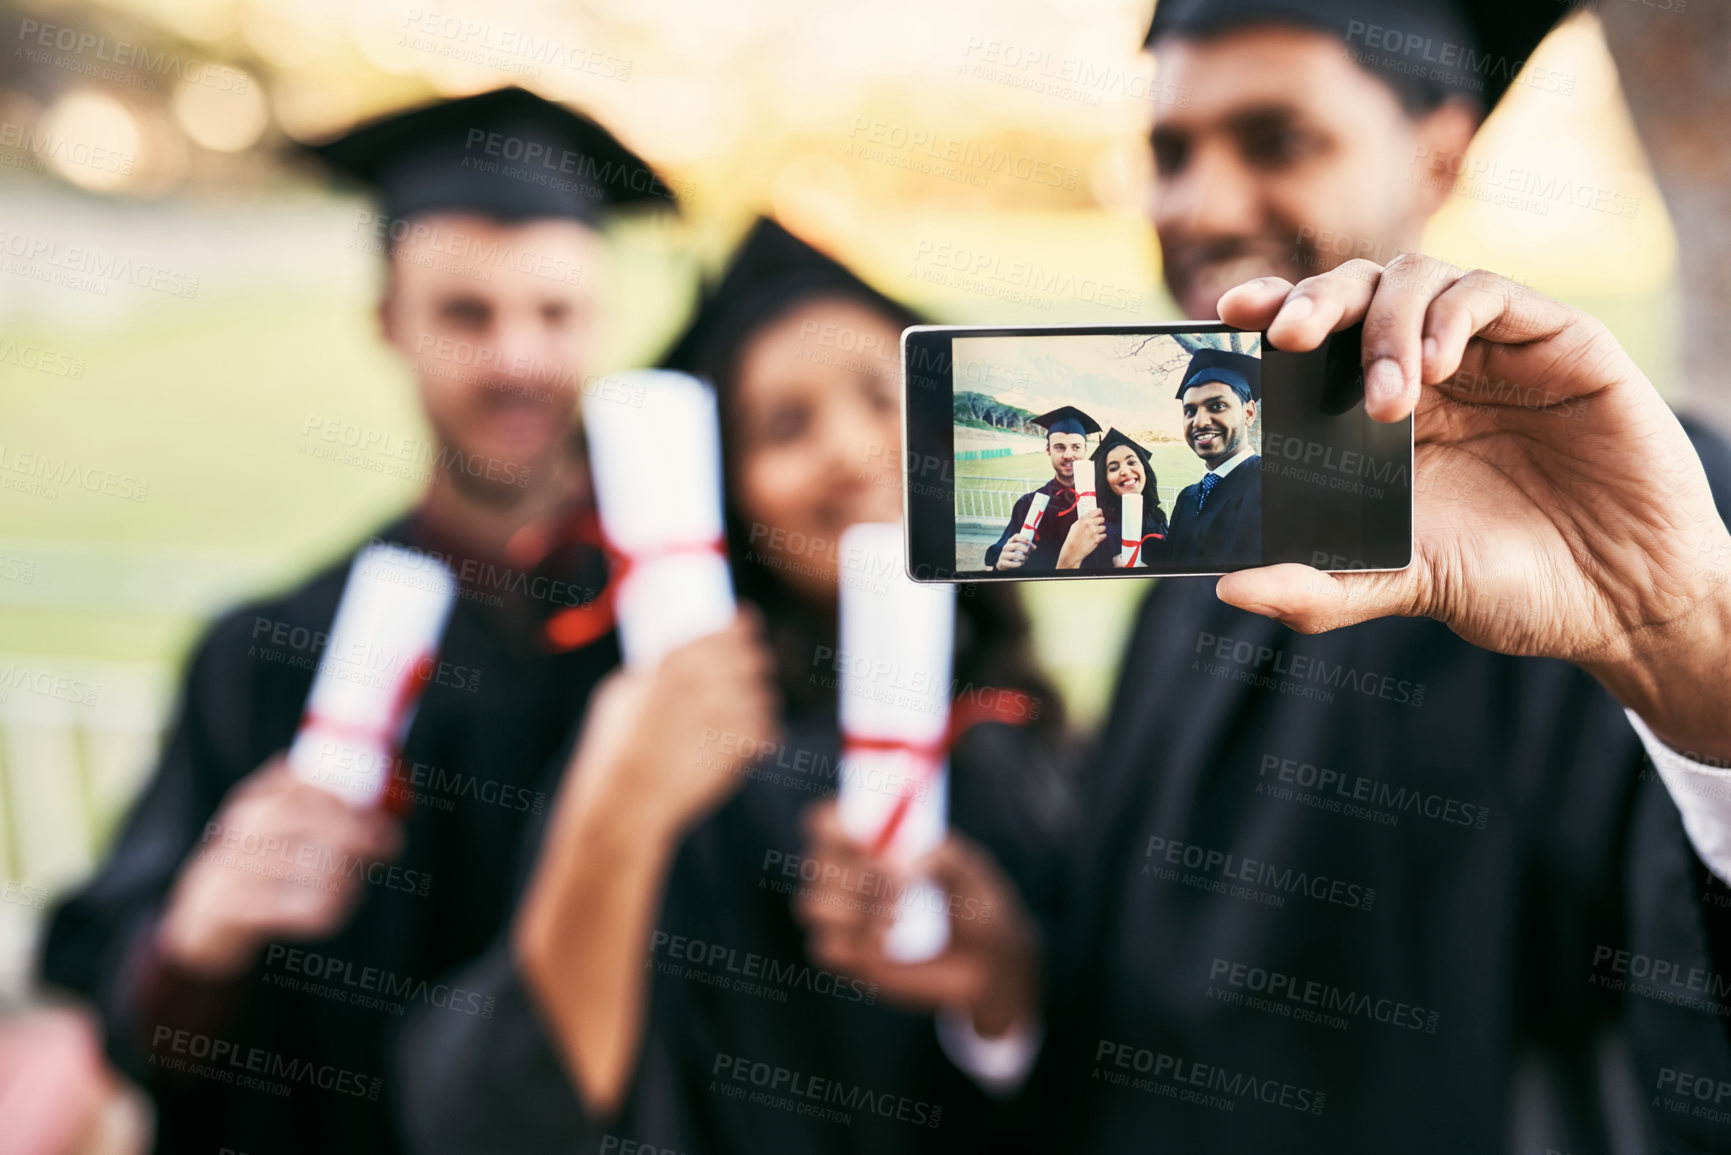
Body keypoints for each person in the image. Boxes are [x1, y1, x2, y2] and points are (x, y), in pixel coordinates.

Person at [794, 2, 1731, 1151]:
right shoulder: (1189, 547)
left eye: (1276, 139)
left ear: (1439, 150)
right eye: (1169, 152)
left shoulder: (1624, 517)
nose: (1200, 204)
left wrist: (1687, 648)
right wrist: (1011, 985)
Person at [37, 88, 674, 1155]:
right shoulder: (268, 654)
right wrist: (196, 938)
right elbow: (125, 1014)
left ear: (601, 321)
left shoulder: (680, 649)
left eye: (555, 313)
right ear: (389, 321)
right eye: (465, 313)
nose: (517, 357)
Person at [394, 218, 1072, 1154]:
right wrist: (622, 808)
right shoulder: (697, 768)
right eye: (784, 425)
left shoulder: (1032, 728)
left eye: (882, 394)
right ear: (732, 497)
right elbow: (515, 1104)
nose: (852, 448)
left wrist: (999, 986)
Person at [1162, 346, 1262, 570]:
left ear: (1249, 413)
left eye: (1217, 406)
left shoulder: (1273, 488)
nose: (1199, 421)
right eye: (1190, 411)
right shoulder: (1187, 497)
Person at [982, 406, 1102, 571]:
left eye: (1076, 447)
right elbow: (1004, 552)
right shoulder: (1028, 504)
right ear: (1048, 450)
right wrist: (1002, 561)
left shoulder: (1105, 500)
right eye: (1060, 447)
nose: (1068, 455)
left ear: (1086, 450)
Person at [1091, 429, 1168, 569]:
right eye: (1113, 468)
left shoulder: (1157, 515)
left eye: (1131, 462)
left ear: (1144, 468)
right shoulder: (1100, 530)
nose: (1125, 471)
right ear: (1105, 480)